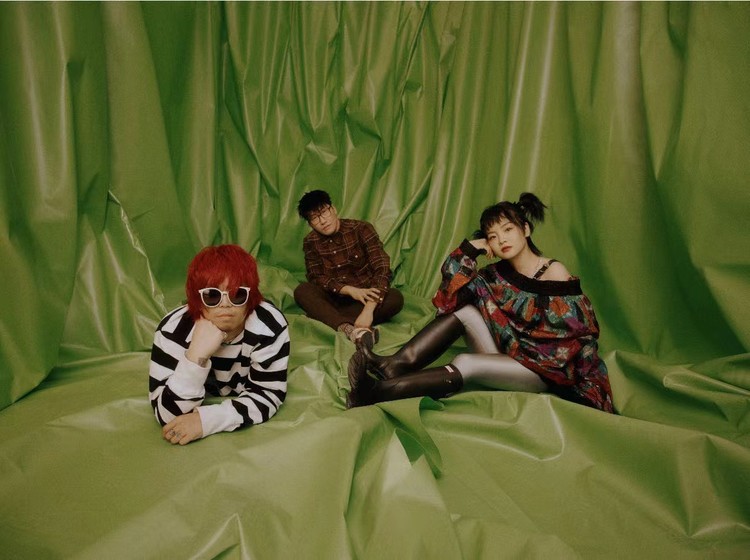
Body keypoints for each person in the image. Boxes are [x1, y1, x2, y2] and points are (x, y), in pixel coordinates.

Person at [347, 193, 615, 413]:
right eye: (493, 236)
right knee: (464, 311)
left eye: (508, 230)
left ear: (525, 229)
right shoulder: (495, 275)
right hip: (508, 357)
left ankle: (376, 393)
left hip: (544, 372)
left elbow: (576, 337)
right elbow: (451, 294)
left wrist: (523, 347)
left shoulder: (554, 272)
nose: (502, 240)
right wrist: (471, 248)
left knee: (466, 361)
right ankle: (393, 366)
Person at [149, 244, 290, 445]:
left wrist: (207, 420)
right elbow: (167, 415)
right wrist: (196, 355)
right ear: (197, 300)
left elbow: (267, 394)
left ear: (251, 298)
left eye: (237, 294)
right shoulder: (173, 330)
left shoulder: (269, 325)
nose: (225, 304)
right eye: (212, 295)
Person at [294, 189, 404, 345]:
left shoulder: (361, 229)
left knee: (395, 298)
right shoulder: (310, 242)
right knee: (302, 291)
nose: (322, 221)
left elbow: (382, 267)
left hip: (365, 299)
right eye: (314, 218)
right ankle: (351, 330)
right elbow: (316, 277)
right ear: (310, 223)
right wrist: (348, 290)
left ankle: (327, 318)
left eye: (324, 212)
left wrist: (368, 310)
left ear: (333, 209)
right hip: (334, 298)